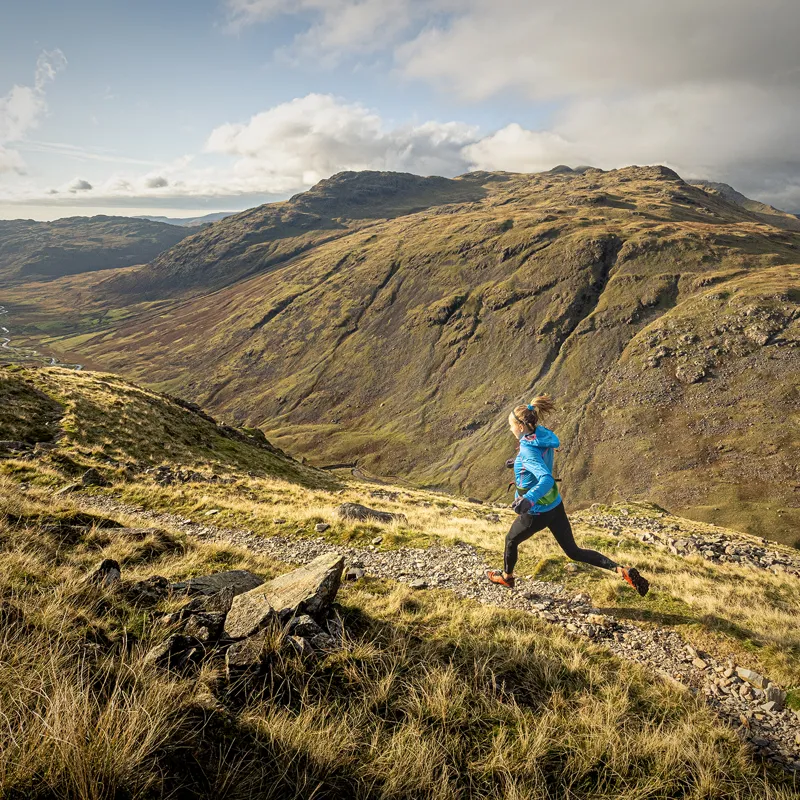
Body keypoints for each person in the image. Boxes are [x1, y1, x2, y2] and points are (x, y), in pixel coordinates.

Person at [486, 395, 649, 596]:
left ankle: (506, 577)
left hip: (536, 511)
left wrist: (529, 499)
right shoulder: (541, 434)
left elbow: (544, 478)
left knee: (511, 540)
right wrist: (518, 461)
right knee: (573, 551)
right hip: (555, 505)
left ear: (520, 427)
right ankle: (621, 570)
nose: (510, 429)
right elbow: (539, 456)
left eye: (511, 426)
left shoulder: (528, 450)